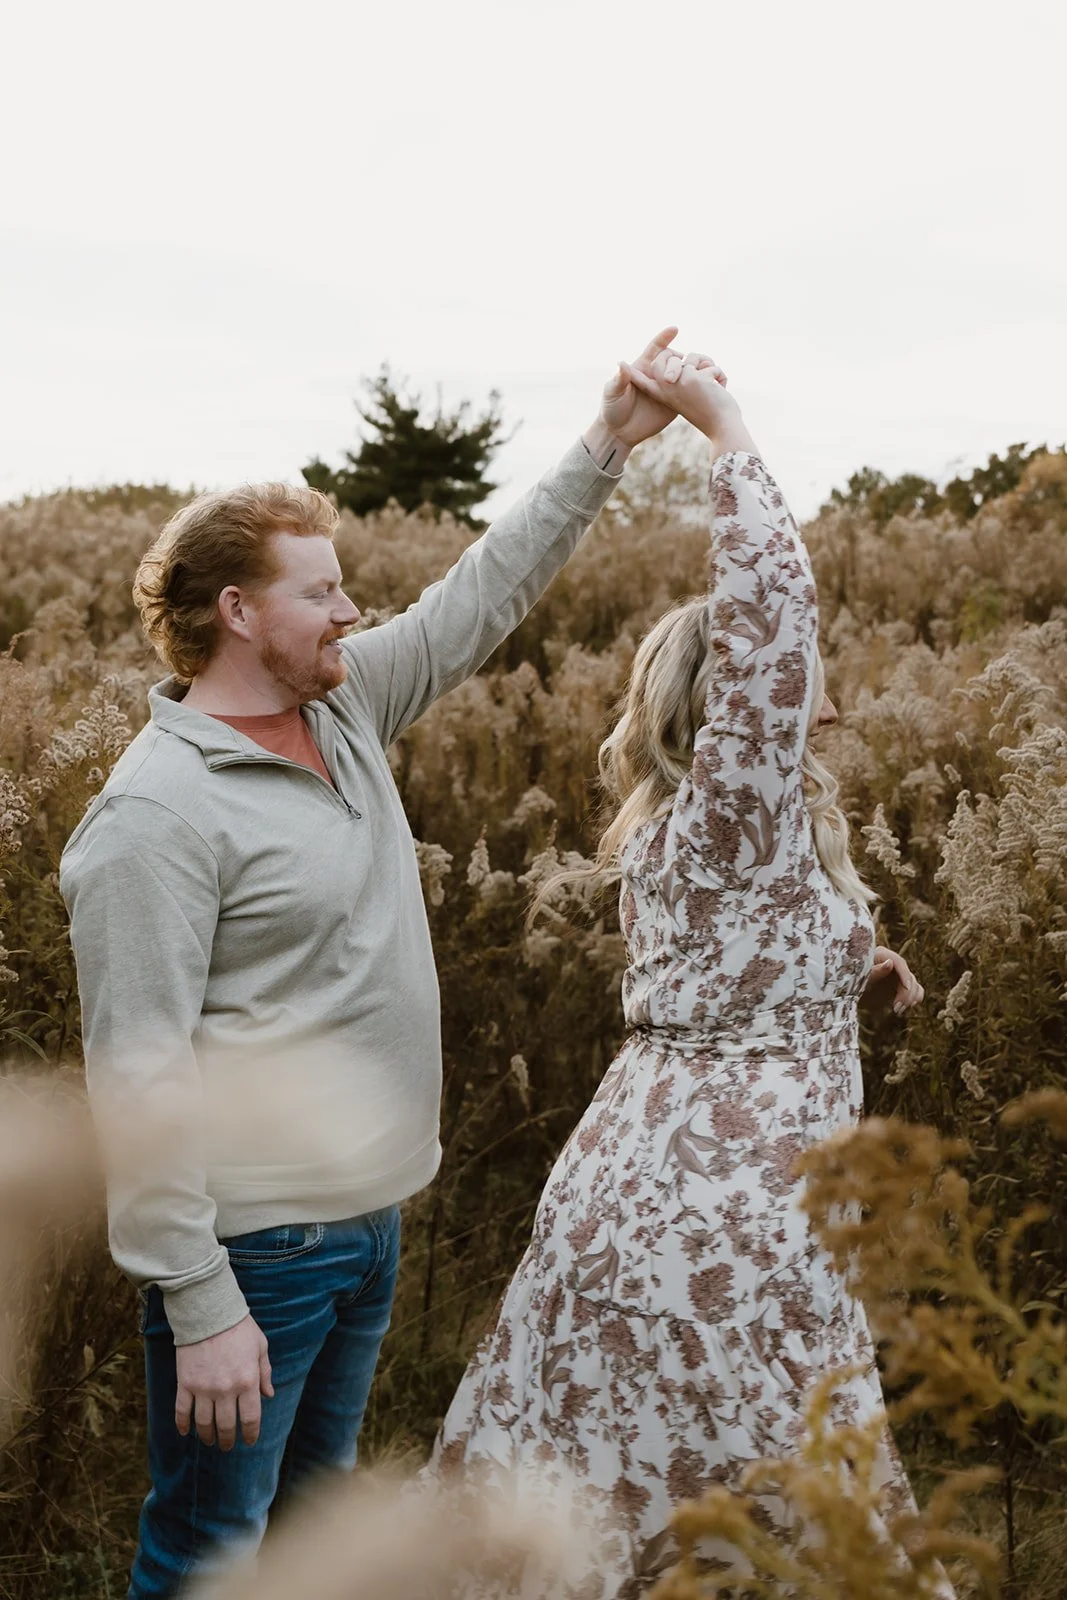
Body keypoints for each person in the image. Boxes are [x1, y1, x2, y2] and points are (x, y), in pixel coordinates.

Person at [58, 327, 685, 1599]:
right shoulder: (152, 819)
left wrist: (606, 444)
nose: (351, 610)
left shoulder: (340, 706)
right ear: (236, 611)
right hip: (254, 1255)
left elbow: (479, 596)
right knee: (205, 1554)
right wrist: (199, 1301)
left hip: (370, 1220)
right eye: (320, 591)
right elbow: (137, 1075)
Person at [429, 349, 933, 1597]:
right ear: (734, 712)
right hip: (710, 1227)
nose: (822, 695)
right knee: (744, 1495)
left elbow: (723, 971)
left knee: (643, 1484)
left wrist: (852, 965)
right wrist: (724, 427)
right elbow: (769, 619)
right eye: (795, 684)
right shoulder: (731, 810)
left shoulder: (708, 831)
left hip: (668, 1194)